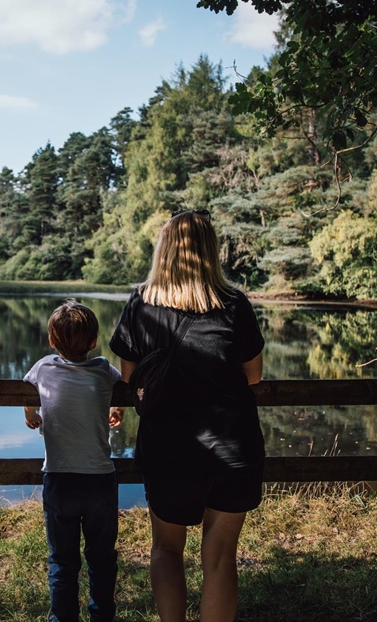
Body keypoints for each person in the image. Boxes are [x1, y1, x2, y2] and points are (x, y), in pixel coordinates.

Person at [109, 210, 265, 622]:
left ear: (164, 249)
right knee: (219, 558)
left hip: (168, 449)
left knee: (165, 549)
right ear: (210, 251)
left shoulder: (141, 304)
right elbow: (254, 375)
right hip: (232, 447)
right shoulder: (233, 304)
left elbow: (129, 376)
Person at [23, 300, 124, 622]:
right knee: (102, 558)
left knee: (62, 561)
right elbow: (118, 393)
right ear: (94, 341)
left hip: (59, 478)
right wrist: (115, 408)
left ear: (52, 341)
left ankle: (62, 618)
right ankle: (102, 616)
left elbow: (26, 394)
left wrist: (31, 413)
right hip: (99, 480)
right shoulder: (104, 369)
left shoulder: (43, 368)